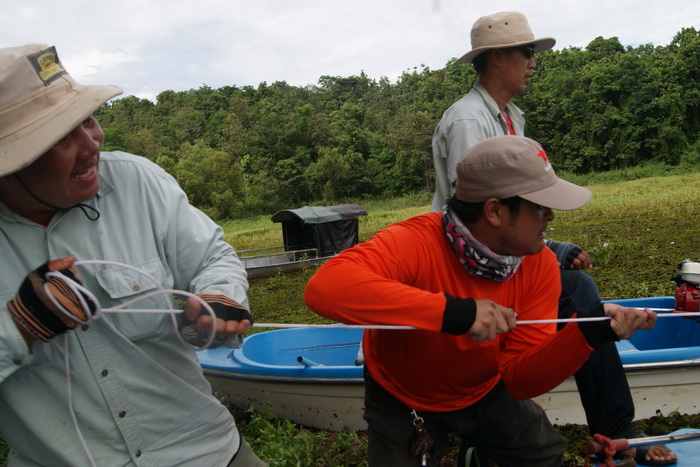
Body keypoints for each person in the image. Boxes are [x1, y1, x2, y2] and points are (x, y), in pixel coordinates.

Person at [305, 134, 657, 466]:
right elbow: (325, 287)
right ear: (494, 211)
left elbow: (521, 380)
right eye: (540, 206)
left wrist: (588, 333)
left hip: (485, 390)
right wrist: (453, 311)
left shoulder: (539, 264)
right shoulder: (413, 241)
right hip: (402, 395)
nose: (551, 215)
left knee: (544, 454)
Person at [0, 44, 266, 466]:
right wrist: (18, 328)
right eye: (62, 136)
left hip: (208, 454)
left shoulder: (137, 182)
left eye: (87, 119)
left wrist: (220, 297)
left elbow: (212, 258)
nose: (92, 144)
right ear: (12, 162)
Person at [430, 11, 676, 465]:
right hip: (469, 266)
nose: (533, 62)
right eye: (526, 52)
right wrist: (552, 250)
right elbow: (482, 214)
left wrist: (550, 249)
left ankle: (607, 423)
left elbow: (515, 204)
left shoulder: (507, 116)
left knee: (573, 291)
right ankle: (612, 425)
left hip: (502, 256)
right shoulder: (468, 120)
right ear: (498, 58)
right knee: (578, 292)